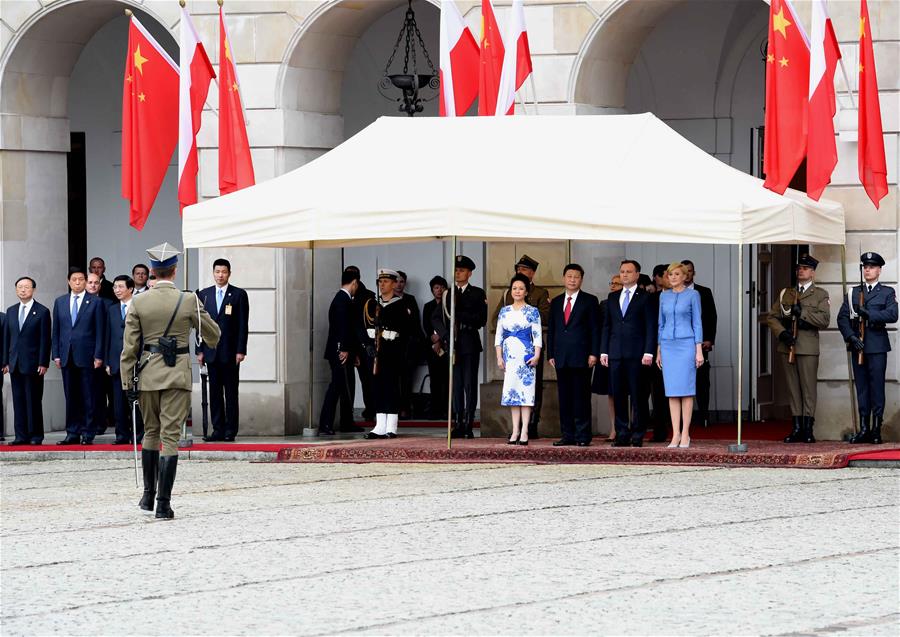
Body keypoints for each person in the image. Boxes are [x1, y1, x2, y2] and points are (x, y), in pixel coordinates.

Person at [121, 242, 219, 519]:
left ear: (152, 271)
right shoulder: (188, 300)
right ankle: (164, 504)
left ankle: (147, 496)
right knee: (171, 437)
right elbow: (213, 334)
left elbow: (129, 348)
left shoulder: (138, 301)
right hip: (176, 374)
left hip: (148, 375)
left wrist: (128, 383)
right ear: (174, 271)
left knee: (150, 432)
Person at [766, 254, 830, 443]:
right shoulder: (786, 293)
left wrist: (803, 313)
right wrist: (782, 333)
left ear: (812, 272)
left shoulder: (820, 294)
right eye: (798, 268)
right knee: (793, 389)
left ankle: (808, 428)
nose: (800, 271)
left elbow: (824, 320)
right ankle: (796, 428)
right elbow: (772, 316)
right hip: (788, 346)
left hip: (807, 346)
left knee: (808, 389)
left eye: (804, 268)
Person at [837, 252, 898, 444]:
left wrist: (869, 313)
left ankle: (876, 429)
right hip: (858, 346)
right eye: (865, 267)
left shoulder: (887, 292)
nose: (867, 270)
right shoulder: (853, 292)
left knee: (877, 387)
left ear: (879, 270)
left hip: (877, 346)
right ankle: (864, 428)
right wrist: (851, 337)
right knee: (862, 388)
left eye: (871, 267)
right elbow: (842, 318)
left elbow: (892, 314)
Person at [491, 255, 550, 438]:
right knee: (512, 392)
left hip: (528, 353)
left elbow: (539, 331)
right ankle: (515, 429)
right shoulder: (505, 309)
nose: (517, 291)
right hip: (510, 355)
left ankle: (528, 428)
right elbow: (498, 330)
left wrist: (537, 353)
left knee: (528, 392)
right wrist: (499, 356)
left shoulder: (536, 302)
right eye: (514, 288)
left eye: (521, 288)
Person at [600, 260, 656, 447]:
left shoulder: (645, 297)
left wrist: (649, 351)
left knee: (638, 395)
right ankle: (622, 433)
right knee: (619, 395)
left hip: (637, 354)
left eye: (629, 271)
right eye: (622, 271)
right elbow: (607, 326)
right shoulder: (612, 297)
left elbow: (650, 327)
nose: (624, 275)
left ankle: (638, 433)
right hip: (616, 353)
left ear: (637, 274)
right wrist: (603, 351)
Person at [52, 266, 106, 445]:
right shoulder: (60, 302)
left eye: (81, 279)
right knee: (71, 396)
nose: (77, 282)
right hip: (66, 356)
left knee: (88, 395)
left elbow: (100, 331)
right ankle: (72, 432)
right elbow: (57, 331)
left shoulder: (95, 302)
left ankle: (88, 432)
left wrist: (98, 355)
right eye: (74, 279)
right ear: (69, 282)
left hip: (88, 356)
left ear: (85, 281)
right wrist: (56, 354)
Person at [196, 258, 249, 442]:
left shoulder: (238, 295)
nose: (220, 275)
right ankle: (217, 429)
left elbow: (243, 324)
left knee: (231, 393)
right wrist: (199, 351)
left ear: (229, 273)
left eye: (224, 272)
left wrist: (241, 350)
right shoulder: (204, 295)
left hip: (230, 351)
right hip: (211, 352)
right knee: (215, 393)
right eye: (217, 271)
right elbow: (199, 325)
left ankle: (230, 430)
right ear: (213, 273)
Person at [548, 263, 599, 447]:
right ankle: (567, 434)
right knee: (565, 397)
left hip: (582, 356)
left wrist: (594, 353)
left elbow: (595, 329)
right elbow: (552, 329)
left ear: (581, 279)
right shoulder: (555, 302)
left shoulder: (590, 301)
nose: (572, 280)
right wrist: (550, 353)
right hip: (561, 357)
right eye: (569, 276)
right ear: (564, 278)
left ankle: (583, 435)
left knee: (581, 397)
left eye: (576, 277)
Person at [361, 269, 415, 439]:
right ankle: (379, 425)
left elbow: (407, 333)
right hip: (377, 353)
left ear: (393, 284)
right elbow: (365, 328)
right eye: (380, 281)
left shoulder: (400, 305)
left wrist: (403, 353)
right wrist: (368, 346)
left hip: (393, 352)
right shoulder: (372, 305)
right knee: (377, 387)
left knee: (391, 388)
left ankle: (391, 426)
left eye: (385, 281)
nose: (382, 285)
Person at [656, 262, 704, 448]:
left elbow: (697, 322)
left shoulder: (693, 295)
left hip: (686, 344)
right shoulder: (664, 296)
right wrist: (659, 350)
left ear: (685, 276)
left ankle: (686, 434)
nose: (673, 277)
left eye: (677, 274)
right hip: (668, 345)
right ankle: (675, 434)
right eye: (670, 274)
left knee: (686, 391)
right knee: (672, 392)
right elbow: (661, 323)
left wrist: (698, 349)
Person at [2, 277, 51, 445]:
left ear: (34, 290)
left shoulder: (42, 311)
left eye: (26, 287)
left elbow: (45, 340)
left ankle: (36, 436)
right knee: (18, 401)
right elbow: (7, 338)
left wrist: (43, 362)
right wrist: (5, 362)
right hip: (14, 363)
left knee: (33, 401)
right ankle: (20, 436)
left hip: (34, 364)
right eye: (20, 287)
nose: (23, 290)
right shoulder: (11, 311)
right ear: (16, 290)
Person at [449, 255, 487, 439]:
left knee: (469, 385)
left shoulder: (477, 293)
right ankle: (457, 422)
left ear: (470, 273)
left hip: (469, 341)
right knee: (456, 385)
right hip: (454, 344)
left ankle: (468, 423)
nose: (458, 273)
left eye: (462, 270)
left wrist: (460, 313)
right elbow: (438, 316)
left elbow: (481, 319)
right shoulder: (449, 292)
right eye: (456, 270)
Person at [318, 269, 360, 435]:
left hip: (344, 350)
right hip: (339, 351)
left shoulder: (343, 299)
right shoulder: (342, 300)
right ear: (354, 282)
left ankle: (347, 422)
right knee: (336, 387)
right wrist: (343, 348)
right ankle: (325, 423)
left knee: (346, 387)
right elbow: (341, 326)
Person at [105, 275, 141, 444]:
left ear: (130, 288)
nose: (117, 290)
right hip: (115, 361)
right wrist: (107, 361)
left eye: (120, 287)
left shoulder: (139, 306)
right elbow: (107, 337)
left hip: (135, 360)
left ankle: (139, 434)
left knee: (136, 400)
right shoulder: (111, 309)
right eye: (115, 287)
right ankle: (121, 435)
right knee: (117, 402)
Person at [681, 259, 717, 426]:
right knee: (681, 380)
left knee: (702, 381)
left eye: (690, 271)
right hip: (679, 344)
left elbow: (711, 316)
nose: (687, 274)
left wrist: (709, 339)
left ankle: (703, 415)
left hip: (700, 343)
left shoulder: (704, 291)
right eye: (684, 271)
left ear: (693, 273)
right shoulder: (673, 292)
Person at [591, 274, 622, 441]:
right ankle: (614, 428)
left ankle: (629, 426)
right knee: (611, 392)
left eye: (617, 283)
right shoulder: (604, 304)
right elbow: (600, 329)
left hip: (628, 354)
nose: (613, 286)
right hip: (608, 353)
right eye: (612, 283)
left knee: (629, 392)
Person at [345, 265, 376, 421]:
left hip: (364, 346)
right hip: (353, 347)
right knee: (362, 380)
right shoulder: (348, 296)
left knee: (369, 379)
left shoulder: (367, 297)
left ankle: (372, 409)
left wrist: (362, 348)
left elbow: (366, 325)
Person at [87, 271, 115, 436]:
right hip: (82, 355)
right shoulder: (77, 302)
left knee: (100, 391)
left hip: (102, 355)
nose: (93, 285)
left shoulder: (109, 304)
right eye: (90, 282)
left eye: (96, 282)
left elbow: (107, 332)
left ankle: (100, 422)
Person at [396, 270, 424, 419]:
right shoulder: (387, 298)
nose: (399, 284)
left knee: (407, 379)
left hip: (409, 345)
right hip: (394, 345)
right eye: (397, 281)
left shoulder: (410, 299)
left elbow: (415, 322)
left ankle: (405, 407)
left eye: (402, 282)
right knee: (394, 379)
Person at [648, 264, 671, 442]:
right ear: (658, 278)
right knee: (657, 392)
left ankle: (677, 430)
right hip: (656, 350)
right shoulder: (652, 299)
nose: (671, 278)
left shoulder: (685, 296)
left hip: (676, 348)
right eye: (667, 275)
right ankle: (659, 430)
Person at [422, 275, 449, 418]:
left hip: (446, 346)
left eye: (442, 287)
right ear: (432, 290)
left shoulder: (449, 305)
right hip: (432, 348)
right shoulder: (428, 306)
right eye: (436, 288)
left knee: (447, 379)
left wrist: (440, 339)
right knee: (435, 379)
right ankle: (435, 409)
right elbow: (426, 325)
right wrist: (434, 341)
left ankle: (447, 409)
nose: (439, 290)